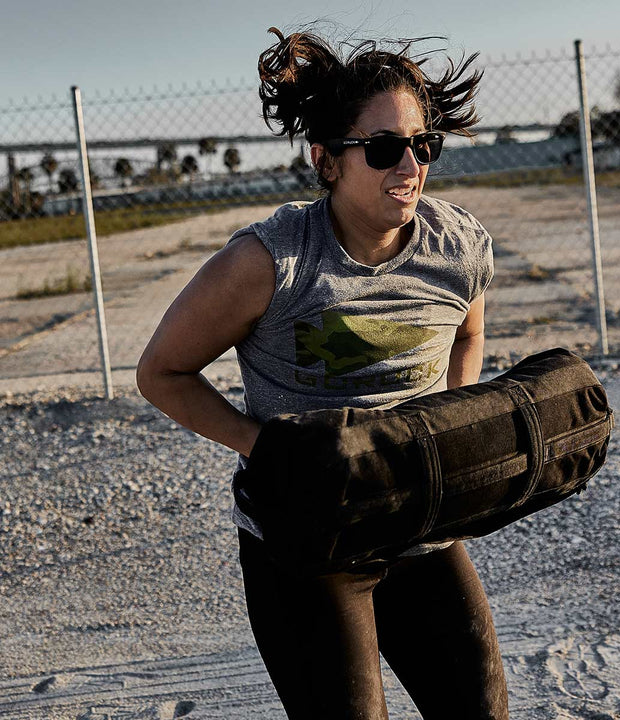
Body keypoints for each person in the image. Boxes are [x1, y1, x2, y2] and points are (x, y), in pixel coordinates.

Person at [137, 25, 509, 720]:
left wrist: (455, 424)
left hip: (421, 526)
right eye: (383, 148)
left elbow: (470, 329)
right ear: (327, 160)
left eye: (422, 145)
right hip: (306, 547)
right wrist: (268, 449)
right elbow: (162, 372)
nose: (410, 165)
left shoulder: (456, 246)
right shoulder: (269, 263)